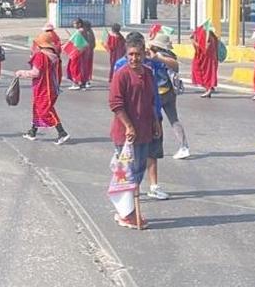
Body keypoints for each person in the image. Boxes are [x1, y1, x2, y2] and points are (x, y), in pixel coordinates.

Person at [108, 33, 162, 229]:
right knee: (127, 174)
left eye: (138, 54)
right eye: (130, 54)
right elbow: (115, 103)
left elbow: (150, 101)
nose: (134, 58)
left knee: (138, 172)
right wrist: (129, 125)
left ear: (144, 54)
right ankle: (127, 214)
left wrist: (156, 121)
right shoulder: (121, 75)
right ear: (126, 54)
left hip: (145, 131)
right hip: (126, 135)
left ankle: (125, 210)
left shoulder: (148, 73)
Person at [16, 32, 70, 144]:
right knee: (37, 108)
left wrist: (21, 73)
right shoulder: (54, 56)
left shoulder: (40, 56)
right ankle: (33, 131)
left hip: (43, 87)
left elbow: (35, 73)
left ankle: (62, 132)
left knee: (44, 110)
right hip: (51, 86)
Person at [147, 33, 190, 161]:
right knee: (174, 120)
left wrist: (157, 57)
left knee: (153, 119)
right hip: (170, 92)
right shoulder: (169, 55)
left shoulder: (160, 56)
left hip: (159, 93)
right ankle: (184, 146)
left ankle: (152, 147)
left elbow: (175, 65)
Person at [191, 22, 219, 98]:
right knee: (207, 73)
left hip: (206, 59)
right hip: (210, 58)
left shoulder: (206, 36)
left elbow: (203, 48)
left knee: (205, 73)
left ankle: (209, 88)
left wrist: (193, 42)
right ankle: (209, 88)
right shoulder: (211, 36)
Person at [80, 19, 96, 88]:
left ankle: (85, 81)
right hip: (90, 52)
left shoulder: (85, 33)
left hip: (86, 52)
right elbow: (93, 44)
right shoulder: (91, 32)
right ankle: (87, 80)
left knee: (84, 67)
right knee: (88, 67)